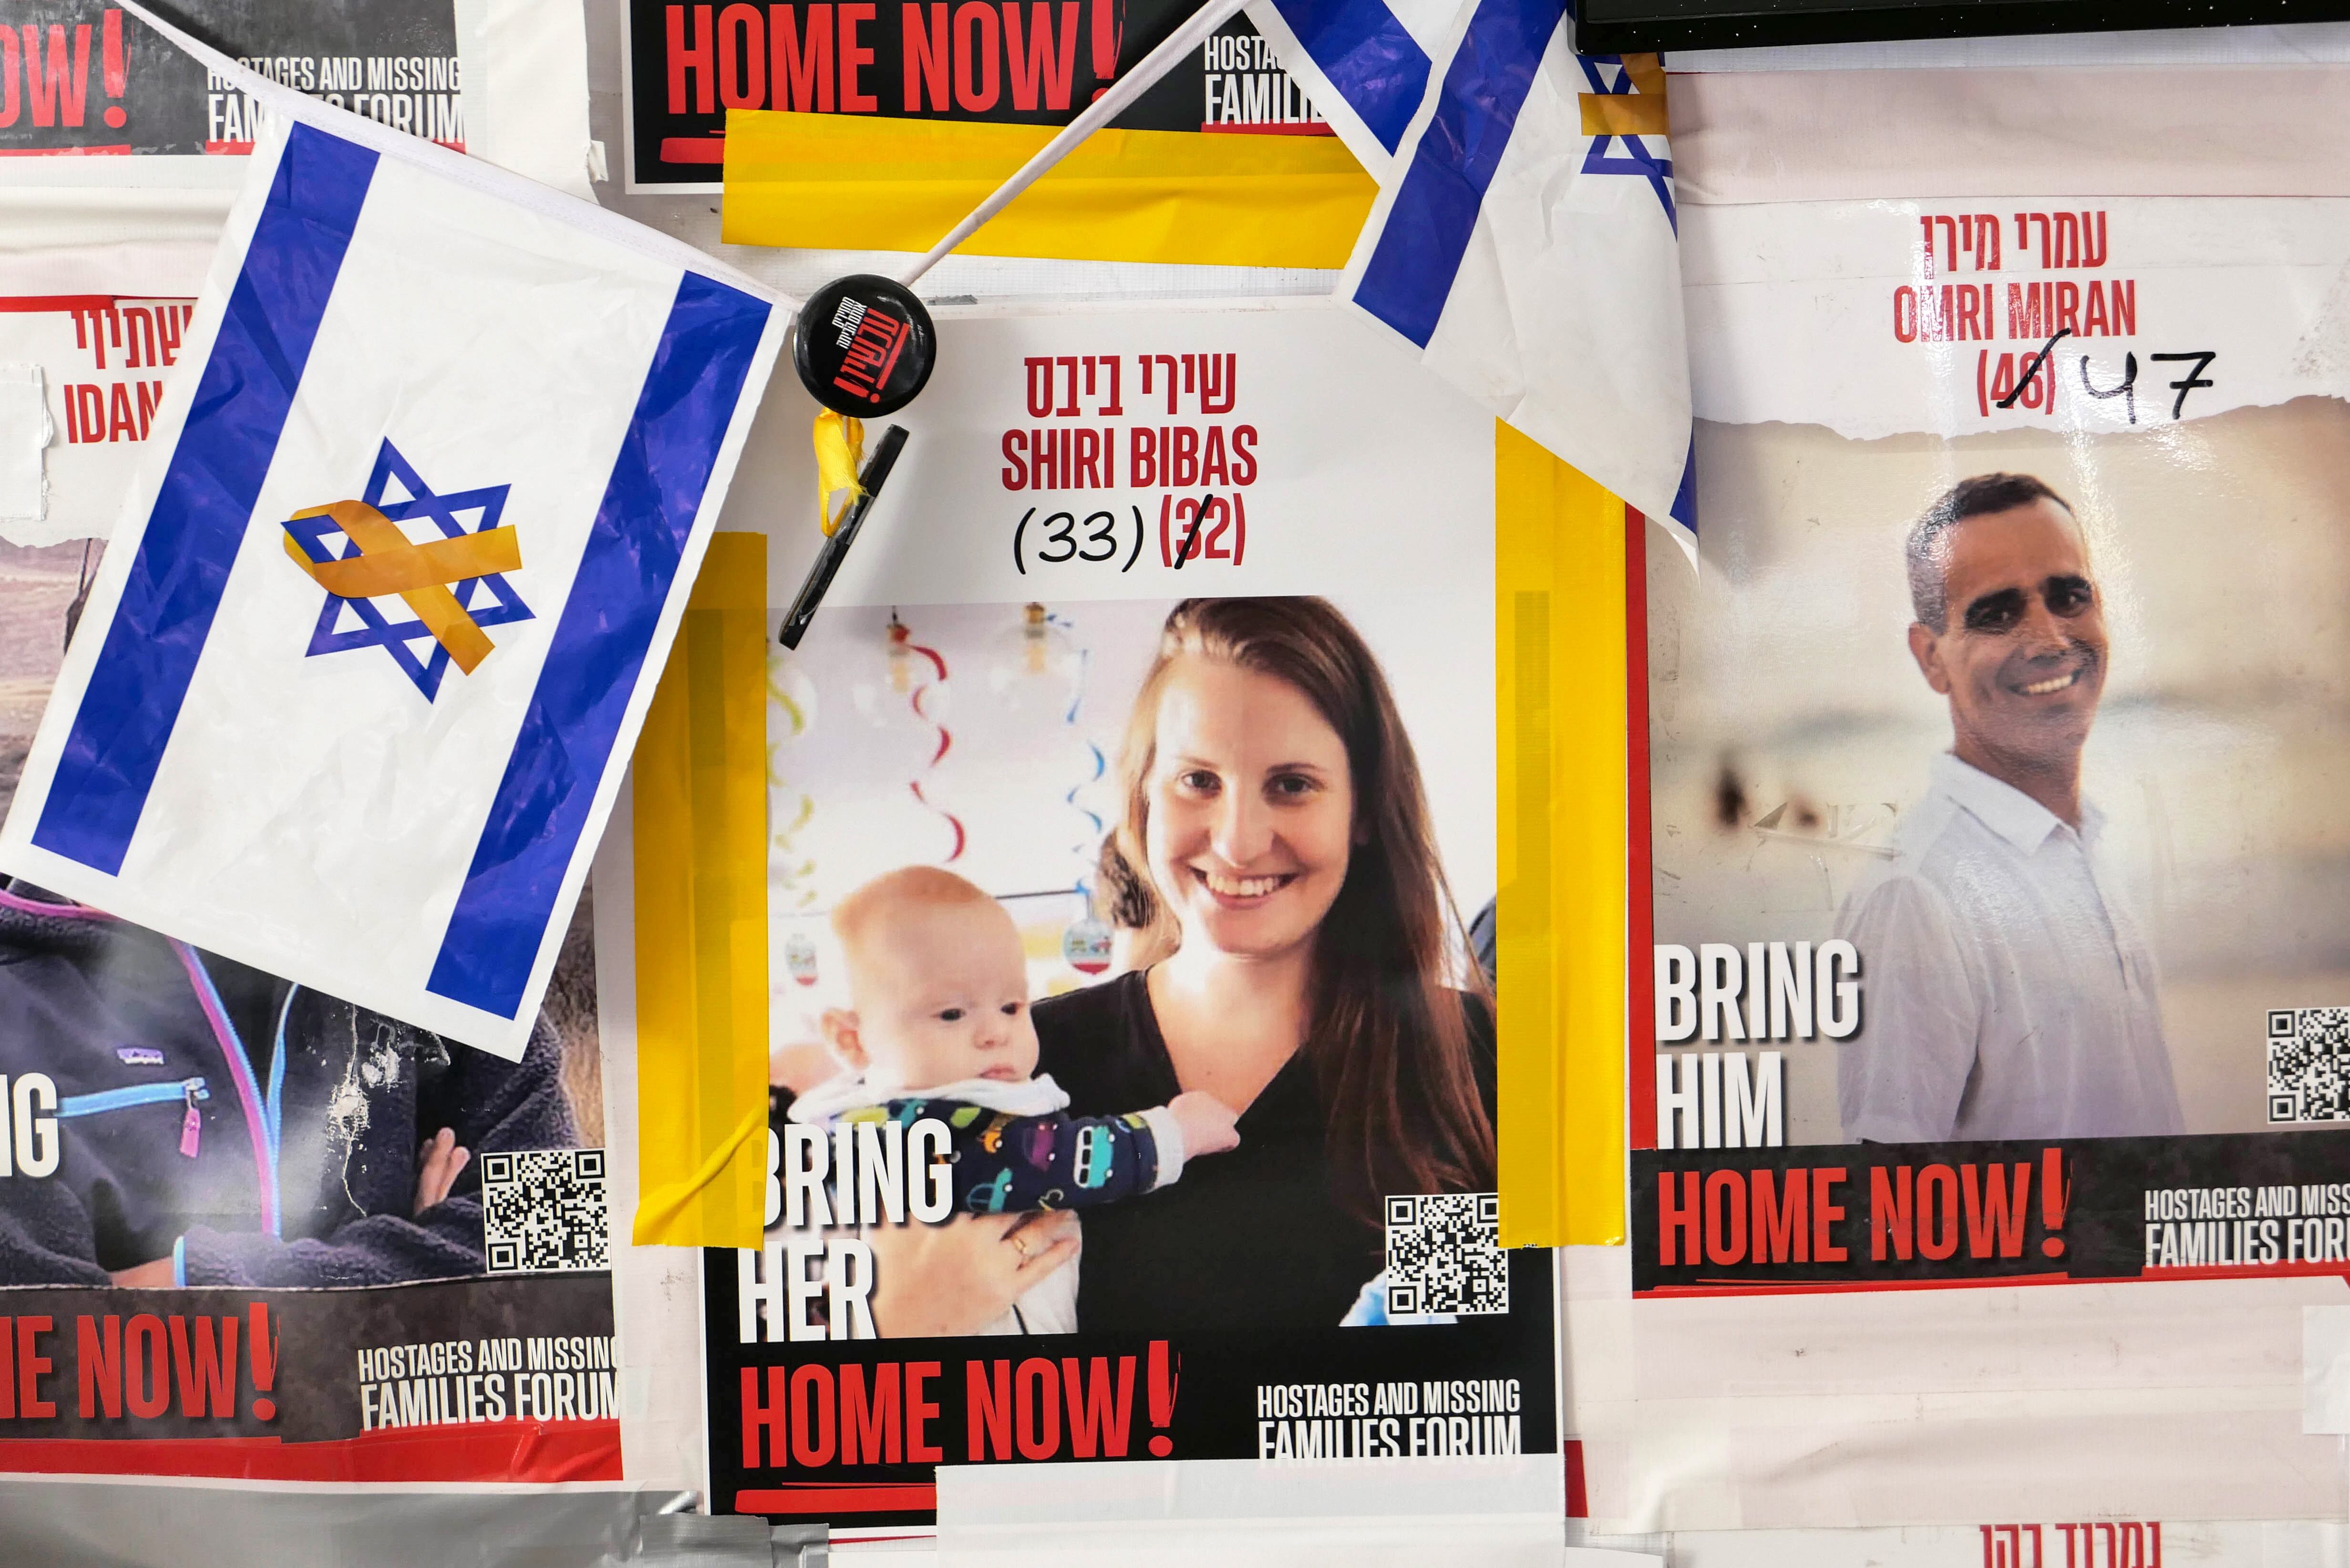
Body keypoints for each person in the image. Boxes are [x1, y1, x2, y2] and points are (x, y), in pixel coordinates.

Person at [862, 597, 1495, 1335]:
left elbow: (1466, 1372)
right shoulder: (1011, 1067)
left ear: (1362, 813)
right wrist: (893, 1325)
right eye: (1199, 780)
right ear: (1144, 797)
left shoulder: (1468, 1058)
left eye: (1292, 784)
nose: (1237, 842)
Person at [0, 881, 578, 1287]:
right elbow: (40, 1347)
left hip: (410, 1460)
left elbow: (559, 1241)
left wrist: (170, 1284)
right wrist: (411, 1258)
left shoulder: (454, 970)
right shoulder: (15, 986)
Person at [1835, 473, 2183, 1143]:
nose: (2051, 638)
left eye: (2068, 596)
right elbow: (1888, 1207)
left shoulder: (2087, 841)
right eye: (1997, 613)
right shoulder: (1916, 897)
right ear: (1930, 657)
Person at [788, 865, 1239, 1333]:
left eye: (1010, 1006)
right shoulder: (921, 1125)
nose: (994, 1033)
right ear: (852, 1040)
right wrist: (1174, 1133)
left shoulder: (857, 1122)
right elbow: (1046, 1160)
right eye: (951, 1013)